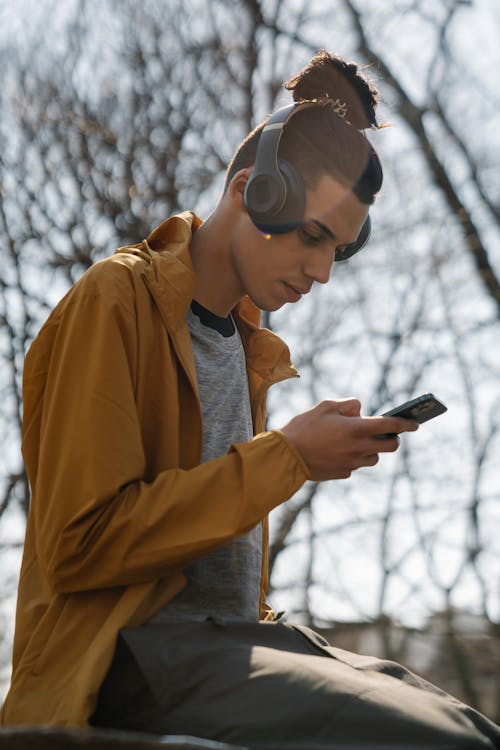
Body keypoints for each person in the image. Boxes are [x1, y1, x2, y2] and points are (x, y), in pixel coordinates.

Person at [1, 50, 499, 749]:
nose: (322, 271)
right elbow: (81, 546)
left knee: (468, 725)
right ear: (249, 192)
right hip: (123, 660)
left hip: (222, 647)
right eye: (313, 236)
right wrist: (287, 457)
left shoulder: (244, 347)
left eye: (341, 251)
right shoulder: (117, 298)